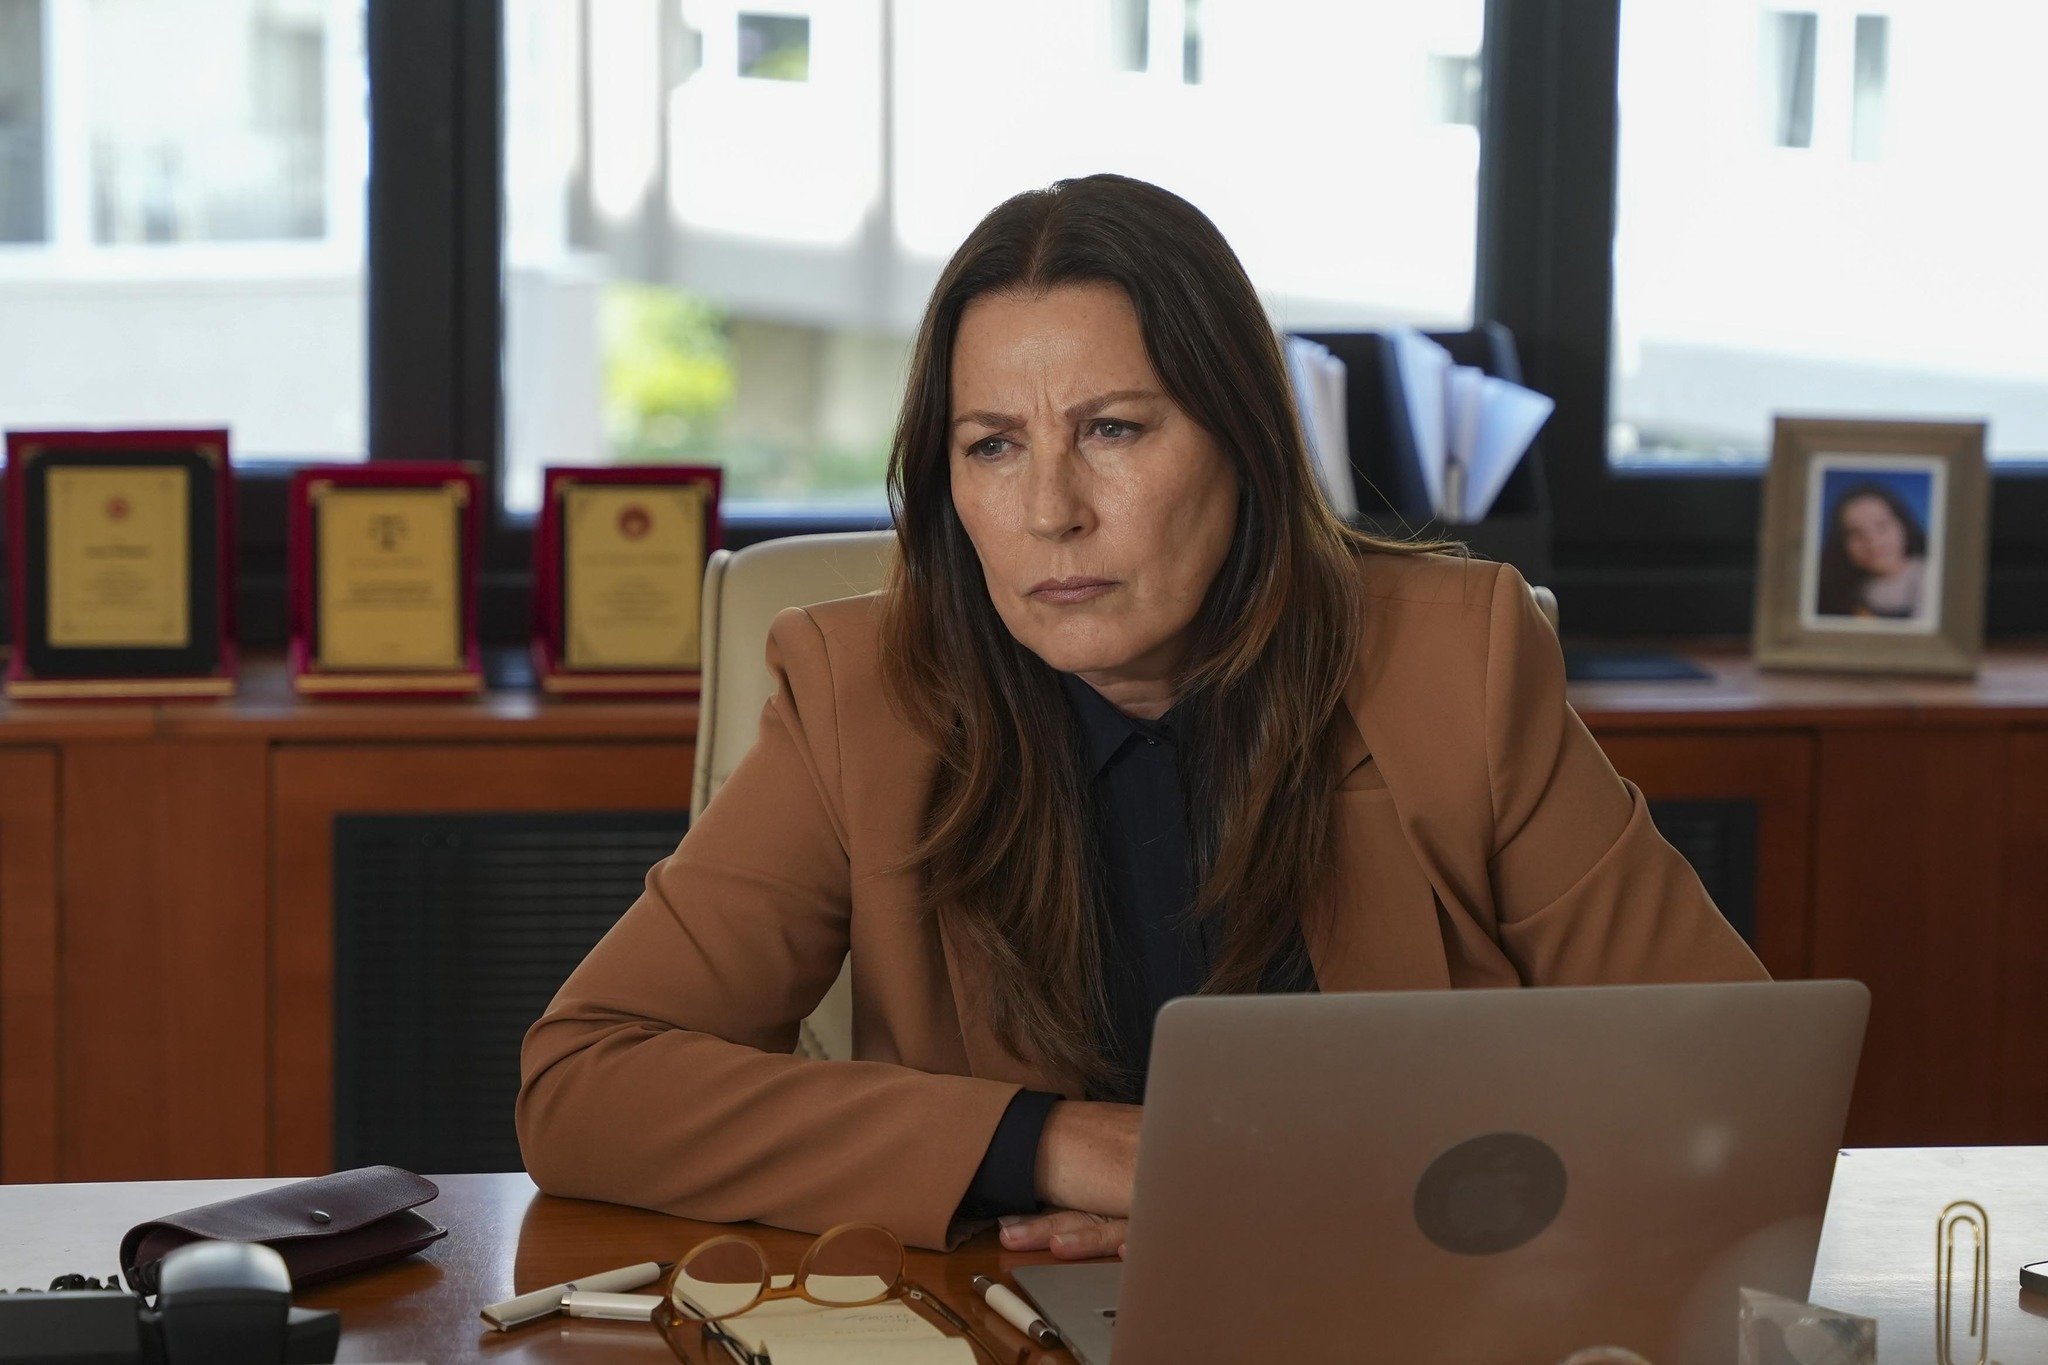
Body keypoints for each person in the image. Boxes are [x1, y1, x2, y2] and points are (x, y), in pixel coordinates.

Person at [516, 173, 1764, 1261]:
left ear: (1243, 442)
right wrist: (1057, 1147)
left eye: (1112, 429)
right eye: (992, 445)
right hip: (1016, 1311)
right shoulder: (863, 694)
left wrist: (1273, 1198)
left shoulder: (1453, 659)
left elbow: (1729, 1082)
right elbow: (584, 1083)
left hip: (1399, 1297)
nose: (1049, 510)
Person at [1814, 481, 1931, 620]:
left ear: (1903, 525)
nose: (1872, 542)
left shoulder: (1926, 576)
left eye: (1882, 526)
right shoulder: (1857, 591)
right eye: (1855, 532)